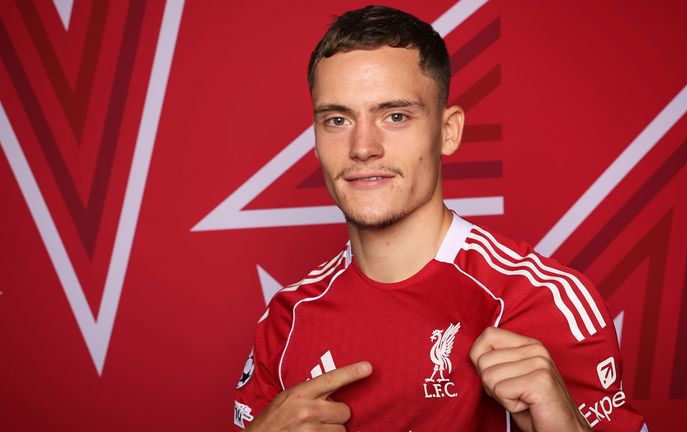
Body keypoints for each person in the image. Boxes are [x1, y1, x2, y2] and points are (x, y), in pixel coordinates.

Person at [233, 5, 647, 431]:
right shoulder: (286, 319)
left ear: (448, 131)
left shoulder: (541, 301)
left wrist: (564, 424)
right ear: (317, 139)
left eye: (395, 116)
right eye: (337, 120)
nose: (362, 147)